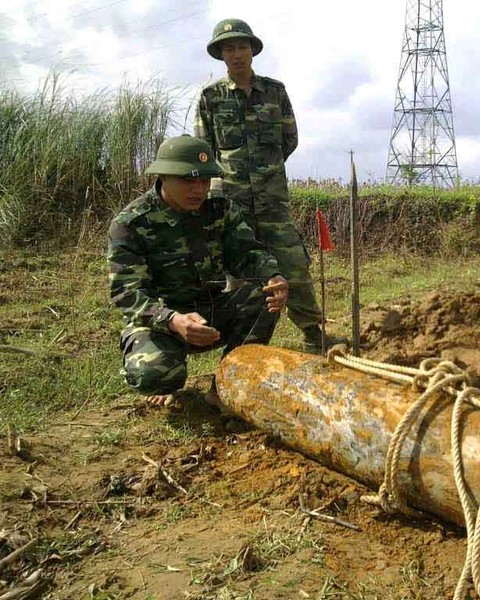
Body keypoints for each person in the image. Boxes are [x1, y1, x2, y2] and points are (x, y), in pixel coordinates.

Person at [194, 18, 345, 354]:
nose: (236, 54)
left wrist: (265, 172)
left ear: (252, 50)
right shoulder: (210, 97)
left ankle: (313, 335)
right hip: (232, 203)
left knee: (294, 267)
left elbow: (288, 140)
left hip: (273, 201)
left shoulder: (275, 91)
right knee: (242, 276)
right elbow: (204, 151)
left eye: (242, 46)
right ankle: (245, 347)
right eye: (229, 48)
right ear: (221, 54)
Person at [107, 135, 288, 408]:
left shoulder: (219, 209)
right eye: (188, 181)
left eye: (204, 181)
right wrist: (172, 320)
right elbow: (127, 293)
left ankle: (225, 385)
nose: (198, 190)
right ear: (163, 177)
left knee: (263, 296)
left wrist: (273, 276)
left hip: (211, 311)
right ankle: (168, 380)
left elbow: (247, 252)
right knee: (154, 375)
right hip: (162, 323)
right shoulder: (131, 223)